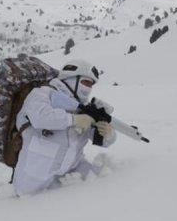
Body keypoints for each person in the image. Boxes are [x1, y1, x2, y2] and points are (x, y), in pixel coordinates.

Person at [12, 59, 116, 195]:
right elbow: (40, 117)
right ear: (71, 78)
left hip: (70, 176)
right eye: (85, 82)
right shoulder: (42, 94)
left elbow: (100, 140)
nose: (88, 88)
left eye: (91, 85)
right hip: (33, 182)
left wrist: (108, 134)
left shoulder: (84, 108)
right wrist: (73, 119)